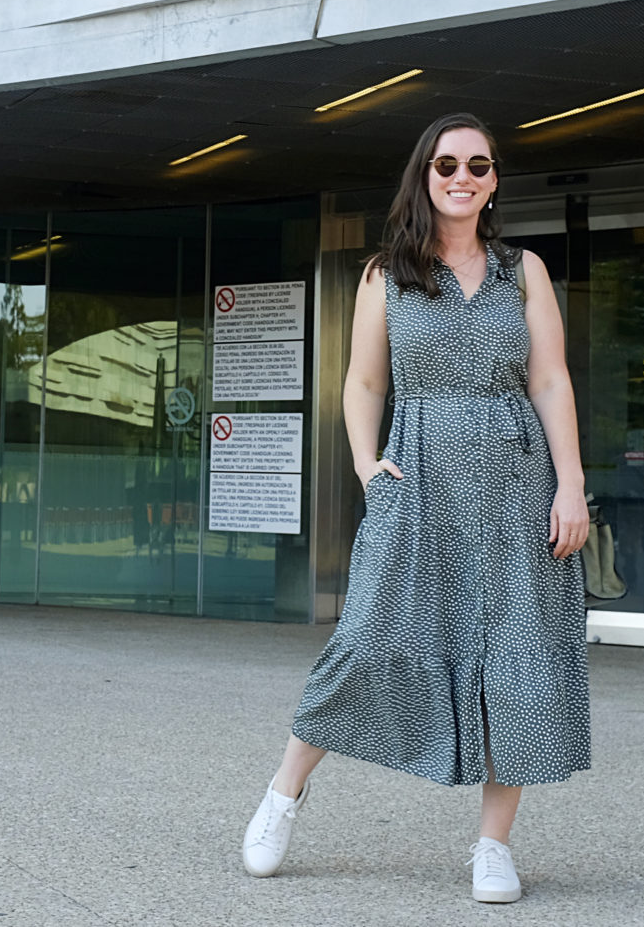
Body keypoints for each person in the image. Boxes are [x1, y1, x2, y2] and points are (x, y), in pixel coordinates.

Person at [240, 113, 592, 904]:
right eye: (445, 165)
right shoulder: (384, 274)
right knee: (366, 636)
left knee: (518, 661)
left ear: (495, 178)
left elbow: (550, 381)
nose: (461, 177)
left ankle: (493, 848)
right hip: (419, 474)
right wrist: (369, 468)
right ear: (423, 177)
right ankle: (283, 795)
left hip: (516, 482)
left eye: (477, 164)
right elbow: (363, 382)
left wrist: (571, 483)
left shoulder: (524, 270)